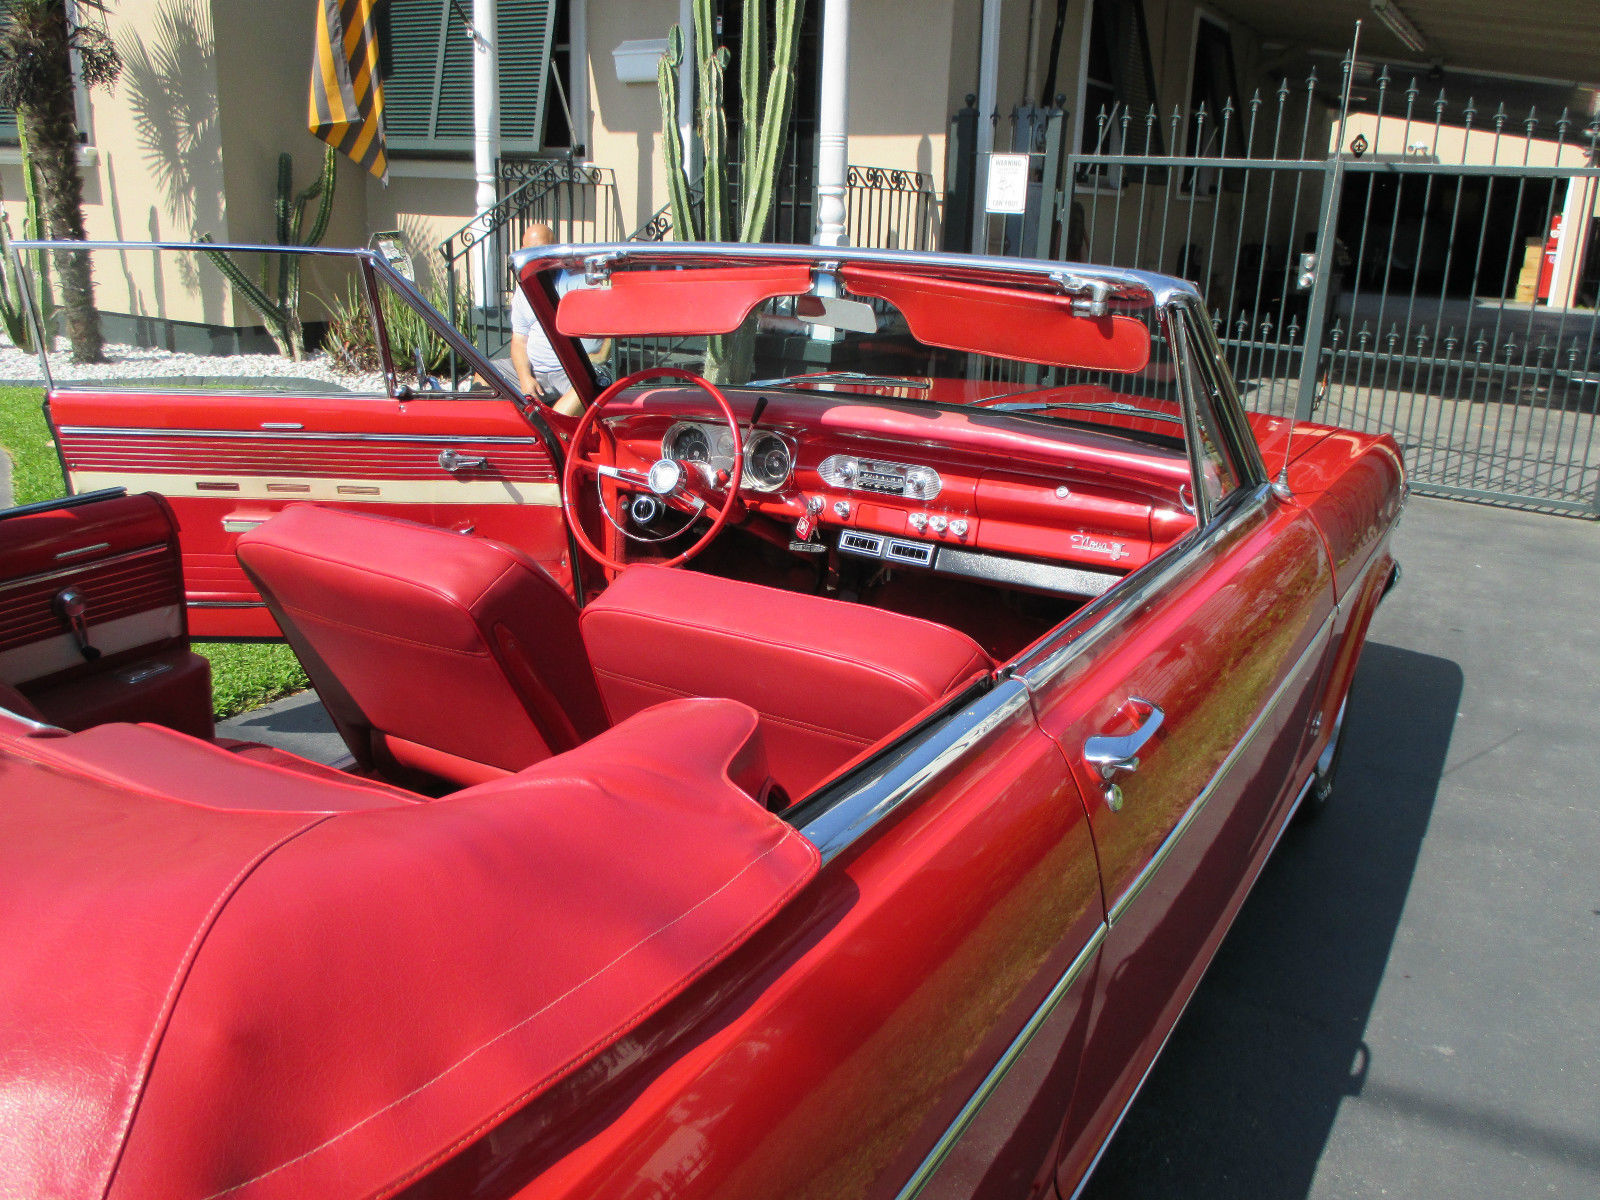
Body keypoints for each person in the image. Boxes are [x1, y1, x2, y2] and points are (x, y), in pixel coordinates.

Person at [506, 222, 611, 417]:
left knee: (585, 391)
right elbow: (519, 341)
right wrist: (525, 378)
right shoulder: (524, 290)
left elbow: (612, 321)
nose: (538, 258)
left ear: (555, 248)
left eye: (543, 250)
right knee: (485, 375)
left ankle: (550, 437)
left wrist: (602, 356)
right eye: (531, 252)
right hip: (536, 371)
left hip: (574, 372)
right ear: (522, 251)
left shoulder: (579, 280)